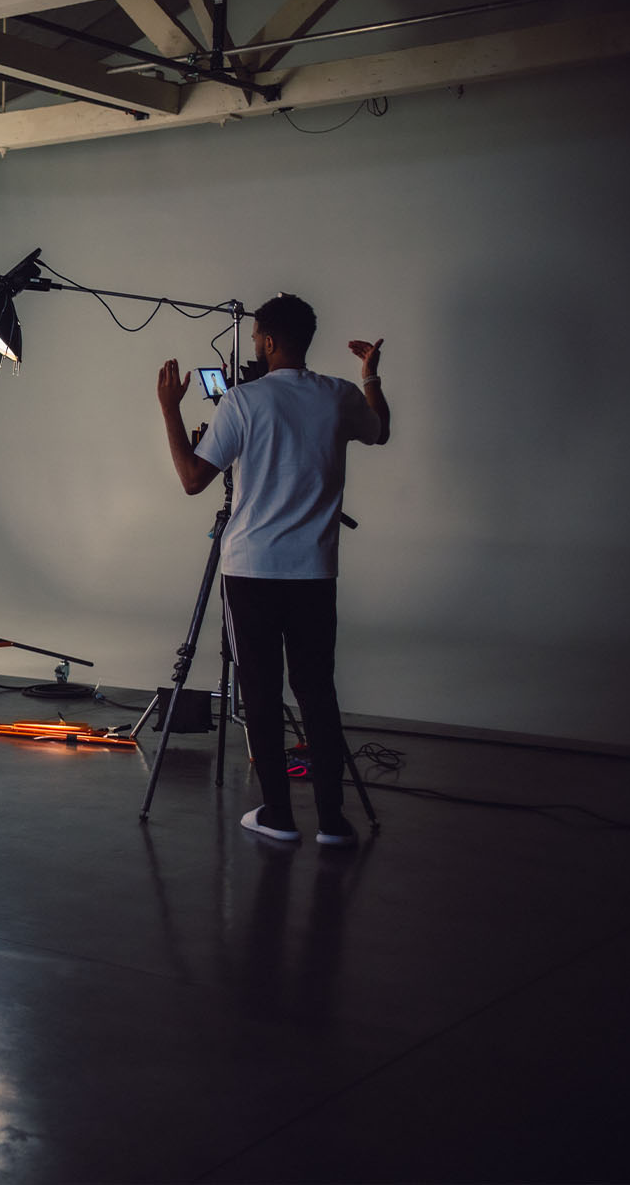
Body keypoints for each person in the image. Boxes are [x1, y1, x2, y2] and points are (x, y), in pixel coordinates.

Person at [157, 295, 390, 848]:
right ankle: (332, 822)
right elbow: (380, 429)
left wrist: (170, 407)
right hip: (314, 569)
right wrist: (371, 374)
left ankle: (279, 816)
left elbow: (193, 479)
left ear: (266, 341)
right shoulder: (339, 395)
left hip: (252, 570)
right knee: (317, 691)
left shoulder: (242, 402)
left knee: (260, 692)